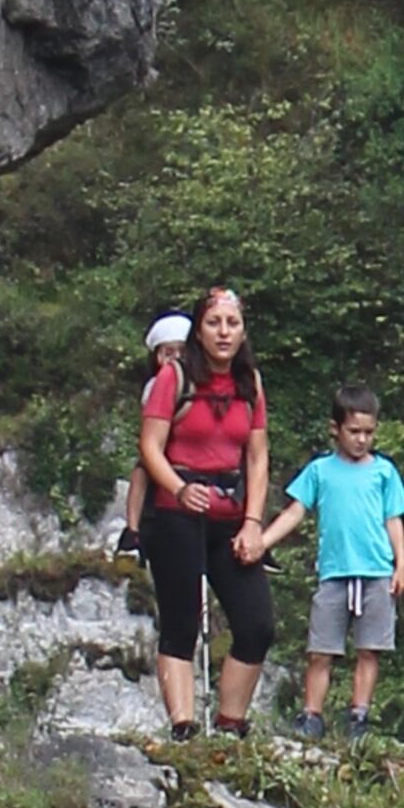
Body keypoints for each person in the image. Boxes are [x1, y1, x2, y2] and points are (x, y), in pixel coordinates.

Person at [137, 290, 281, 734]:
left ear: (242, 330)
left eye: (232, 323)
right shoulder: (174, 378)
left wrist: (254, 524)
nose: (223, 333)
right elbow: (150, 446)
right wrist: (180, 489)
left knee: (257, 625)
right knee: (181, 624)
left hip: (230, 517)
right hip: (175, 514)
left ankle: (230, 723)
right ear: (198, 330)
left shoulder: (249, 383)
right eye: (214, 323)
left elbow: (257, 457)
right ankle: (183, 726)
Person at [260, 383, 404, 743]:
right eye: (354, 431)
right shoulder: (320, 471)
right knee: (321, 650)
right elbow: (296, 510)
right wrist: (263, 541)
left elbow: (394, 519)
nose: (362, 440)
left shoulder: (384, 472)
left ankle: (359, 717)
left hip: (376, 572)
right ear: (335, 429)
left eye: (369, 433)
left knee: (369, 649)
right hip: (334, 574)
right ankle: (311, 715)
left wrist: (401, 563)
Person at [109, 311, 188, 562]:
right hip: (165, 447)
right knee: (143, 468)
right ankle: (132, 529)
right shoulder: (155, 386)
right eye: (168, 353)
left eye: (182, 352)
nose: (175, 359)